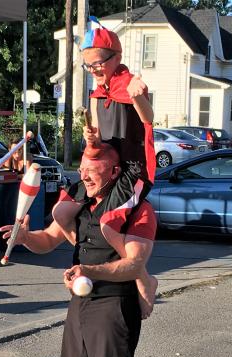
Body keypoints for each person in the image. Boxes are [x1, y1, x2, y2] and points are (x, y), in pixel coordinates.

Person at [0, 143, 157, 357]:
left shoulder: (138, 211)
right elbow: (48, 239)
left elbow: (133, 265)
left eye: (92, 167)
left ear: (114, 172)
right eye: (82, 166)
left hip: (116, 304)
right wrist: (26, 236)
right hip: (81, 303)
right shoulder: (81, 205)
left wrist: (89, 270)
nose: (83, 174)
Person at [52, 22, 157, 319]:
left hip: (133, 170)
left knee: (109, 224)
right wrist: (91, 138)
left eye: (98, 63)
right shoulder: (97, 95)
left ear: (116, 57)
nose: (94, 69)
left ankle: (142, 277)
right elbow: (97, 134)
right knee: (61, 214)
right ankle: (112, 258)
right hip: (104, 167)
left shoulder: (131, 84)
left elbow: (148, 119)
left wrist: (138, 95)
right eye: (88, 66)